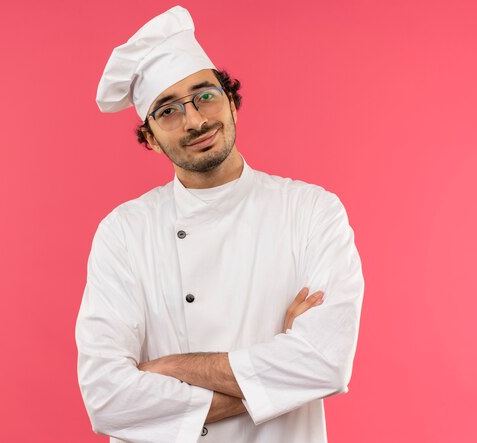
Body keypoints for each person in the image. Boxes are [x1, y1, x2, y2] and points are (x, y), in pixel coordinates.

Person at [75, 6, 364, 443]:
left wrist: (172, 368)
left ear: (231, 102)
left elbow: (326, 363)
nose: (194, 120)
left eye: (204, 96)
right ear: (150, 138)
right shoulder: (123, 233)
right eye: (167, 110)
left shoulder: (311, 211)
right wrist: (279, 375)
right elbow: (106, 399)